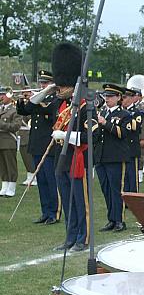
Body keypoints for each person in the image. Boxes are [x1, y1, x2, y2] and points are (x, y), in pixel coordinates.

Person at [50, 42, 90, 252]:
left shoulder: (85, 105)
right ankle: (70, 235)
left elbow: (87, 136)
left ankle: (83, 237)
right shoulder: (61, 105)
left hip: (77, 158)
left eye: (62, 85)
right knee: (66, 200)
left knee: (79, 201)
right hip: (62, 158)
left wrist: (65, 135)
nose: (59, 88)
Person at [18, 70, 60, 223]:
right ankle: (45, 211)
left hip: (48, 145)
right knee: (41, 181)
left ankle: (54, 212)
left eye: (46, 83)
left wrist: (35, 98)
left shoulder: (55, 98)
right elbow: (23, 111)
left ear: (52, 84)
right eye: (41, 82)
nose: (43, 85)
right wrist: (23, 100)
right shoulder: (38, 98)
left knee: (50, 180)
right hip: (36, 144)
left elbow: (47, 109)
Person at [94, 83, 132, 233]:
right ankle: (111, 218)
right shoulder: (102, 112)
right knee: (106, 189)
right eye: (106, 96)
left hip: (115, 157)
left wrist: (105, 123)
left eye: (110, 96)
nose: (107, 98)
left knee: (117, 189)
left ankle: (120, 220)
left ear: (118, 98)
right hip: (102, 156)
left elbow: (123, 134)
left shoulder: (125, 115)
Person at [0, 89, 21, 197]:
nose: (1, 97)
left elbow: (16, 126)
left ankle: (11, 187)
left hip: (8, 141)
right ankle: (4, 186)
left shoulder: (14, 110)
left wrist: (2, 125)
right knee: (2, 165)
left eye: (3, 95)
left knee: (10, 165)